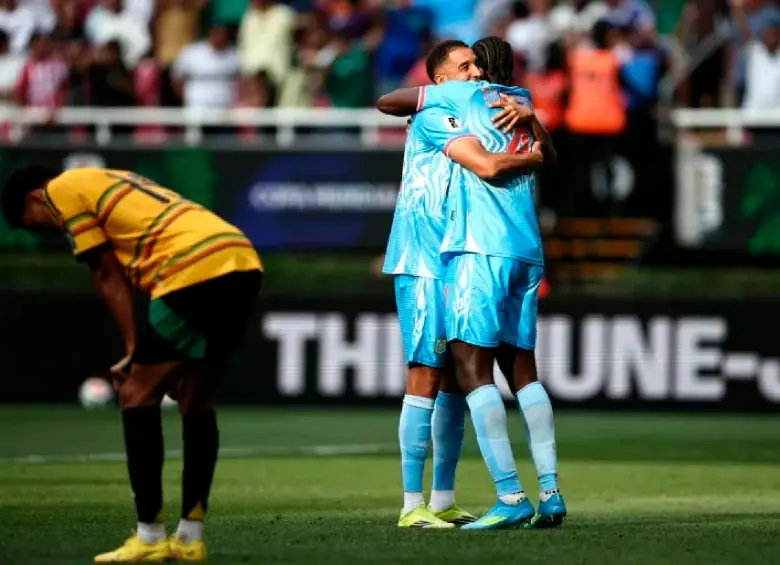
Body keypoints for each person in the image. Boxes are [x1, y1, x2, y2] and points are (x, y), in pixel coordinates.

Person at [1, 166, 263, 562]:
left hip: (192, 268)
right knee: (198, 399)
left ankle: (150, 536)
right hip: (240, 257)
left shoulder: (60, 190)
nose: (43, 231)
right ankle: (190, 539)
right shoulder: (111, 178)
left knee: (135, 392)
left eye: (32, 224)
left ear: (35, 198)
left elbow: (106, 275)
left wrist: (132, 349)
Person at [380, 36, 566, 530]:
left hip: (462, 253)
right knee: (426, 372)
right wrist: (530, 153)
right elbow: (393, 102)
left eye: (478, 66)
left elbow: (532, 147)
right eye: (465, 67)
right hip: (424, 252)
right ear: (440, 78)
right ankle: (410, 503)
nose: (475, 74)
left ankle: (443, 499)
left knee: (459, 383)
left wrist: (529, 126)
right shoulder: (436, 110)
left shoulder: (490, 108)